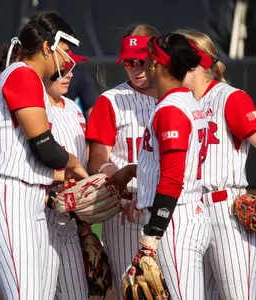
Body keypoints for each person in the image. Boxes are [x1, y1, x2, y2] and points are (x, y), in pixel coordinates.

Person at [176, 28, 256, 300]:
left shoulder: (229, 97)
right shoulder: (177, 103)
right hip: (189, 211)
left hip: (226, 213)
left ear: (192, 61)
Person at [0, 11, 88, 300]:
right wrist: (75, 165)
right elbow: (45, 146)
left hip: (29, 196)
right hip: (9, 197)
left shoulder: (30, 78)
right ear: (48, 46)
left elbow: (31, 157)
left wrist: (67, 177)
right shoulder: (22, 75)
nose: (68, 59)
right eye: (66, 50)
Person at [112, 33, 212, 300]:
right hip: (187, 212)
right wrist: (133, 170)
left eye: (147, 59)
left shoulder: (171, 109)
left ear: (155, 65)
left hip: (175, 221)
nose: (143, 65)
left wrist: (152, 234)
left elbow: (173, 176)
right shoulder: (189, 102)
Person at [85, 23, 159, 299]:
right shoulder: (111, 101)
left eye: (143, 61)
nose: (137, 68)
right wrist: (119, 184)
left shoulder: (180, 97)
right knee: (135, 290)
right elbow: (97, 160)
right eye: (130, 62)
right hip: (127, 210)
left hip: (173, 205)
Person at [41, 52, 90, 300]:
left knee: (76, 295)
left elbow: (84, 156)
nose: (69, 74)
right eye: (62, 69)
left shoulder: (73, 108)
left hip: (70, 219)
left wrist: (86, 228)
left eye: (71, 68)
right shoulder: (36, 107)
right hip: (41, 216)